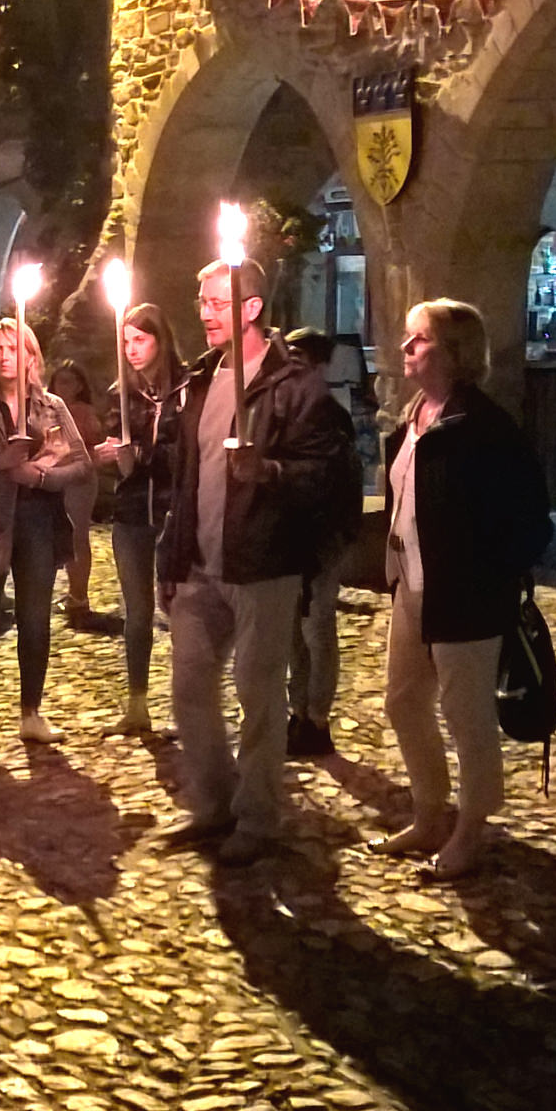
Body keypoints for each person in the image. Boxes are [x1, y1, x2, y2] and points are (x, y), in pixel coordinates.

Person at [158, 258, 340, 867]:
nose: (205, 314)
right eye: (202, 302)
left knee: (259, 697)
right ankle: (214, 802)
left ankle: (258, 816)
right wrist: (172, 555)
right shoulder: (201, 380)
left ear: (253, 308)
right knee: (189, 688)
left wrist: (269, 471)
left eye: (217, 303)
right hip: (200, 563)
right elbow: (186, 478)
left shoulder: (293, 385)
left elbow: (326, 474)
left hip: (264, 563)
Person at [379, 299, 553, 882]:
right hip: (412, 587)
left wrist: (484, 573)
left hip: (465, 596)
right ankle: (430, 812)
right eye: (408, 338)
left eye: (420, 339)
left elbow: (529, 523)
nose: (406, 348)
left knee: (466, 715)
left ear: (454, 353)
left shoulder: (484, 430)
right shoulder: (413, 419)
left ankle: (471, 828)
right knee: (404, 702)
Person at [0, 318, 91, 752]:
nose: (5, 357)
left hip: (37, 523)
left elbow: (81, 464)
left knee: (35, 620)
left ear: (31, 356)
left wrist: (41, 477)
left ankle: (31, 712)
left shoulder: (50, 407)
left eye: (14, 348)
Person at [93, 302, 187, 734]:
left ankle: (185, 707)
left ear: (159, 341)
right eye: (126, 341)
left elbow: (183, 452)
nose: (131, 349)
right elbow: (118, 445)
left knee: (181, 612)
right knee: (137, 612)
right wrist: (113, 458)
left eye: (140, 340)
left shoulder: (186, 389)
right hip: (131, 512)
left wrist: (141, 455)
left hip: (174, 512)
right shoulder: (122, 393)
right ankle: (137, 703)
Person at [282, 328, 365, 758]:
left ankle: (317, 718)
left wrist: (336, 537)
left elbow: (341, 483)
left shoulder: (330, 417)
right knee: (292, 634)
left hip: (321, 539)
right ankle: (297, 711)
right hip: (288, 539)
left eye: (299, 360)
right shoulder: (284, 410)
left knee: (317, 629)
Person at [48, 360, 113, 632]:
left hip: (79, 481)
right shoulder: (49, 409)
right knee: (63, 537)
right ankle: (72, 593)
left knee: (77, 537)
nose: (63, 386)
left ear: (79, 386)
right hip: (58, 479)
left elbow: (91, 446)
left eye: (69, 381)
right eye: (60, 381)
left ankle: (79, 596)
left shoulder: (82, 412)